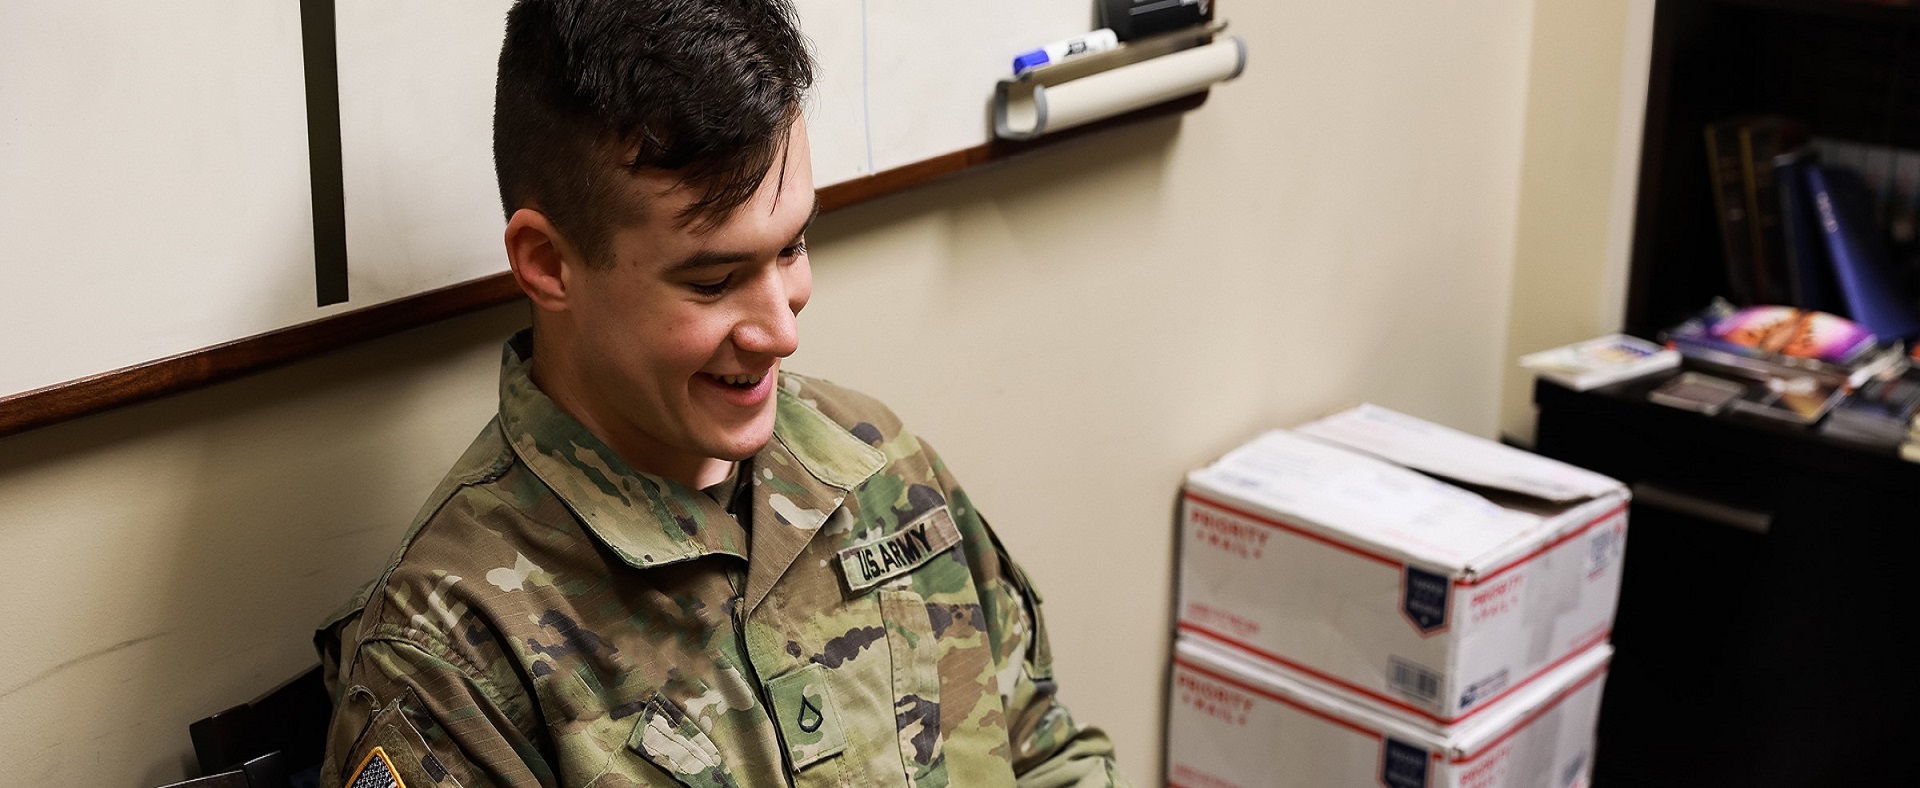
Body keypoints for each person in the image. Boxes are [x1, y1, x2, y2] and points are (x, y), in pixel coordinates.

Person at [314, 1, 1126, 786]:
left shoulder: (875, 462)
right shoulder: (450, 659)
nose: (781, 332)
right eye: (713, 280)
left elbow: (1046, 754)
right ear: (548, 264)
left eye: (794, 246)